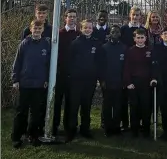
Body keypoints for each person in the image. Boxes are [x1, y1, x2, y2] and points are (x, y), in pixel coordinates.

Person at [11, 20, 50, 148]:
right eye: (35, 28)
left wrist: (46, 80)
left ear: (42, 30)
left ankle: (33, 135)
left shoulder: (46, 44)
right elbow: (17, 63)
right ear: (31, 29)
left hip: (39, 84)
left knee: (36, 112)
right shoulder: (24, 44)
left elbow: (48, 64)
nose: (37, 30)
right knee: (21, 111)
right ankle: (17, 136)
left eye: (40, 29)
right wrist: (15, 79)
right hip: (24, 83)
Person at [66, 20, 102, 142]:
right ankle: (71, 130)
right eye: (85, 27)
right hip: (76, 80)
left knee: (86, 106)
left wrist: (96, 76)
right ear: (81, 29)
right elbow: (69, 61)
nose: (88, 29)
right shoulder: (75, 43)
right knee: (74, 105)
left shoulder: (96, 44)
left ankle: (85, 129)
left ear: (92, 29)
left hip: (90, 80)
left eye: (90, 28)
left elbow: (98, 61)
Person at [53, 9, 80, 137]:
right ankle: (54, 126)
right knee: (57, 102)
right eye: (70, 16)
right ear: (65, 18)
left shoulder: (80, 35)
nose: (72, 19)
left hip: (74, 75)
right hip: (60, 74)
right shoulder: (58, 34)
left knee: (71, 102)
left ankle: (69, 128)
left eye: (74, 17)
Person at [123, 28, 153, 138]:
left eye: (142, 38)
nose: (140, 40)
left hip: (146, 83)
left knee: (146, 107)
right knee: (134, 107)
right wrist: (128, 82)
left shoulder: (149, 50)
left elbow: (153, 67)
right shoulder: (130, 51)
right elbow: (126, 68)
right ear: (134, 39)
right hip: (133, 83)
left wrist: (153, 79)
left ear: (145, 38)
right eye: (138, 38)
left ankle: (146, 130)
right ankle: (134, 130)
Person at [120, 6, 144, 130]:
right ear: (130, 15)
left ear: (141, 16)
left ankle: (138, 123)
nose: (135, 17)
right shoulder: (124, 29)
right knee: (125, 98)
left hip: (139, 69)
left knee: (138, 100)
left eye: (138, 15)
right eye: (133, 15)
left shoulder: (143, 30)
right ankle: (125, 123)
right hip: (126, 66)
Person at [100, 25, 127, 137]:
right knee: (107, 106)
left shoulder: (124, 48)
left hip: (119, 82)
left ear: (120, 34)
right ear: (109, 34)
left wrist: (124, 81)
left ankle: (116, 127)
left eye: (117, 32)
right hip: (107, 82)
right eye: (113, 32)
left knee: (118, 106)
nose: (115, 34)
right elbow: (100, 66)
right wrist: (102, 80)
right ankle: (107, 128)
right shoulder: (104, 48)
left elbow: (126, 67)